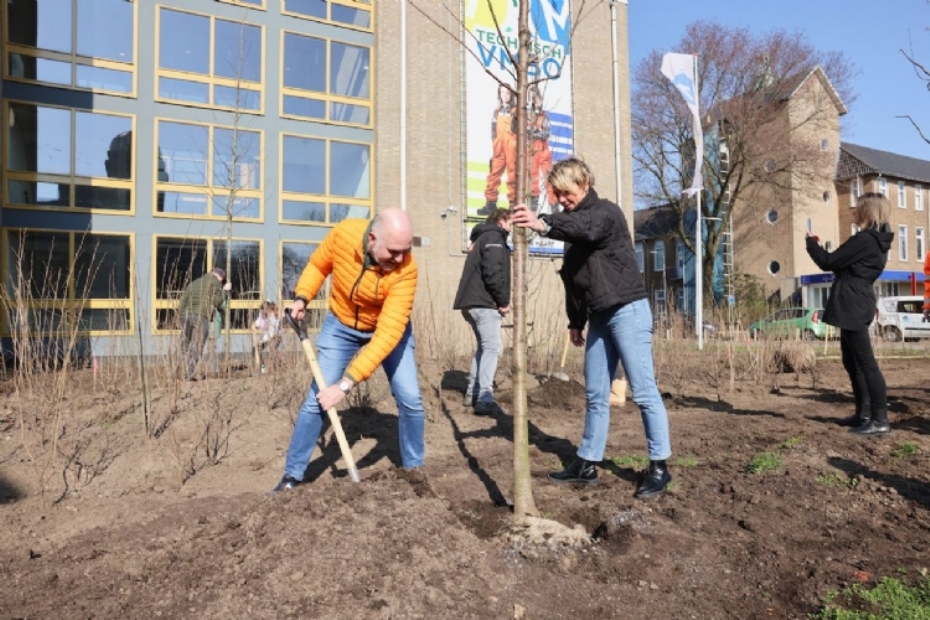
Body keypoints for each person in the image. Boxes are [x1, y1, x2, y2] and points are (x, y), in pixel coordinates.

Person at [510, 157, 673, 499]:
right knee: (595, 394)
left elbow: (588, 227)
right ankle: (587, 463)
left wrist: (542, 223)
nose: (561, 200)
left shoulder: (606, 213)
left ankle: (659, 466)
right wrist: (575, 321)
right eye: (556, 195)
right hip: (598, 318)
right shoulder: (572, 226)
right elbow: (574, 281)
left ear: (583, 184)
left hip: (628, 311)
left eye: (565, 193)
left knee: (643, 391)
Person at [271, 208, 426, 492]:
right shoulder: (343, 234)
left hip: (388, 330)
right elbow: (319, 265)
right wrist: (302, 297)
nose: (400, 259)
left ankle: (415, 472)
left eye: (406, 251)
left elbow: (387, 335)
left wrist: (345, 385)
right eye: (393, 251)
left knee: (411, 399)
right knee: (316, 400)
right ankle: (292, 477)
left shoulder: (407, 270)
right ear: (372, 239)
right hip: (341, 324)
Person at [806, 192, 894, 436]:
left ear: (867, 212)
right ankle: (864, 414)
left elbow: (829, 261)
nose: (853, 212)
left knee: (866, 363)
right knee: (851, 360)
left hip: (853, 302)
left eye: (857, 209)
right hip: (856, 300)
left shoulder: (865, 240)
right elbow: (840, 263)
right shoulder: (876, 242)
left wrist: (811, 244)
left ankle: (879, 420)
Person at [453, 208, 512, 416]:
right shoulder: (494, 237)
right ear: (502, 220)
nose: (511, 227)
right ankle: (485, 398)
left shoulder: (481, 238)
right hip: (484, 303)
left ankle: (472, 393)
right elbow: (493, 271)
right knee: (493, 348)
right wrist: (503, 301)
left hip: (470, 304)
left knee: (484, 348)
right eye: (510, 222)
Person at [177, 267, 231, 381]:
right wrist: (225, 291)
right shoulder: (215, 282)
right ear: (220, 277)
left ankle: (178, 371)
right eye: (222, 280)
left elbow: (183, 302)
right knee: (197, 348)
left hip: (188, 317)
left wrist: (182, 319)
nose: (221, 282)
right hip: (202, 318)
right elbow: (217, 302)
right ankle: (188, 375)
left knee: (185, 346)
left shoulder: (194, 283)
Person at [479, 85, 517, 216]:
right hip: (499, 146)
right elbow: (493, 129)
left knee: (512, 175)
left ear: (512, 95)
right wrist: (494, 145)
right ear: (499, 94)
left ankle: (513, 206)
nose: (505, 95)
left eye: (508, 93)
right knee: (493, 174)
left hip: (512, 146)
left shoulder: (516, 111)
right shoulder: (497, 111)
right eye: (502, 93)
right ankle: (490, 204)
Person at [252, 300, 281, 374]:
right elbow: (259, 322)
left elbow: (272, 333)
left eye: (264, 311)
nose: (262, 313)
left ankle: (275, 369)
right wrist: (254, 325)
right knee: (256, 348)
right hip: (266, 336)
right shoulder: (261, 314)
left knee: (273, 348)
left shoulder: (273, 316)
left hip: (276, 335)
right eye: (261, 311)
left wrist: (261, 341)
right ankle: (262, 367)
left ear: (268, 310)